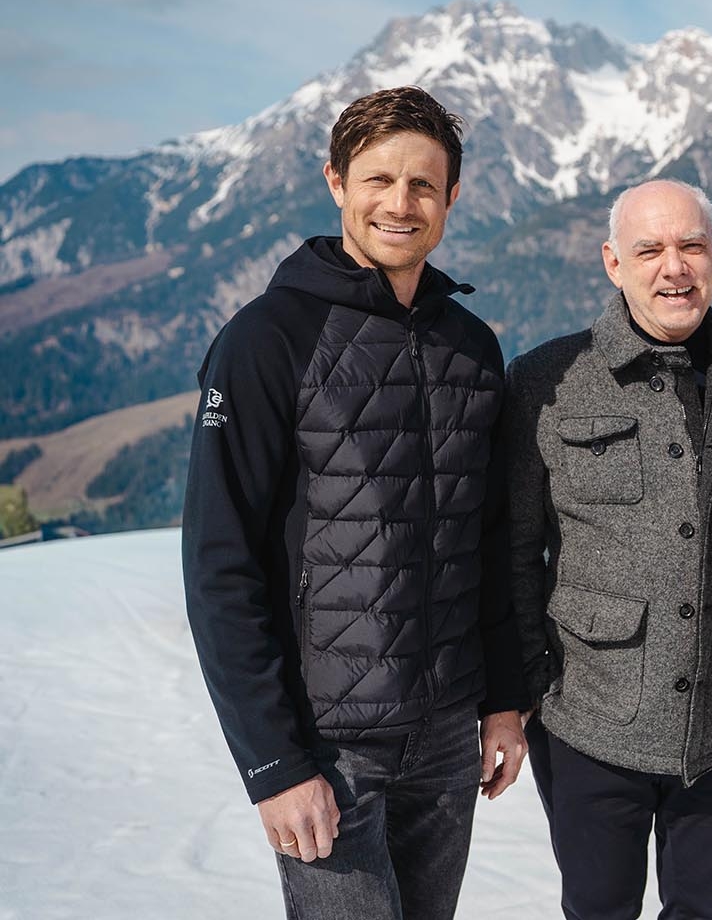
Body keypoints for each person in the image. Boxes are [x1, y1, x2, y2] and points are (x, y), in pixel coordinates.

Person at [181, 85, 529, 919]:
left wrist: (502, 699)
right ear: (336, 181)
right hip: (327, 744)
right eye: (378, 180)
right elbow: (219, 566)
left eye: (421, 185)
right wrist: (273, 762)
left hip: (448, 738)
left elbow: (486, 542)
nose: (399, 204)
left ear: (452, 196)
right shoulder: (267, 340)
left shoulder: (470, 347)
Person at [504, 179, 712, 920]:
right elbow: (516, 554)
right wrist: (525, 692)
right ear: (612, 263)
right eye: (649, 249)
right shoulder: (547, 381)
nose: (674, 267)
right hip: (592, 723)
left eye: (691, 246)